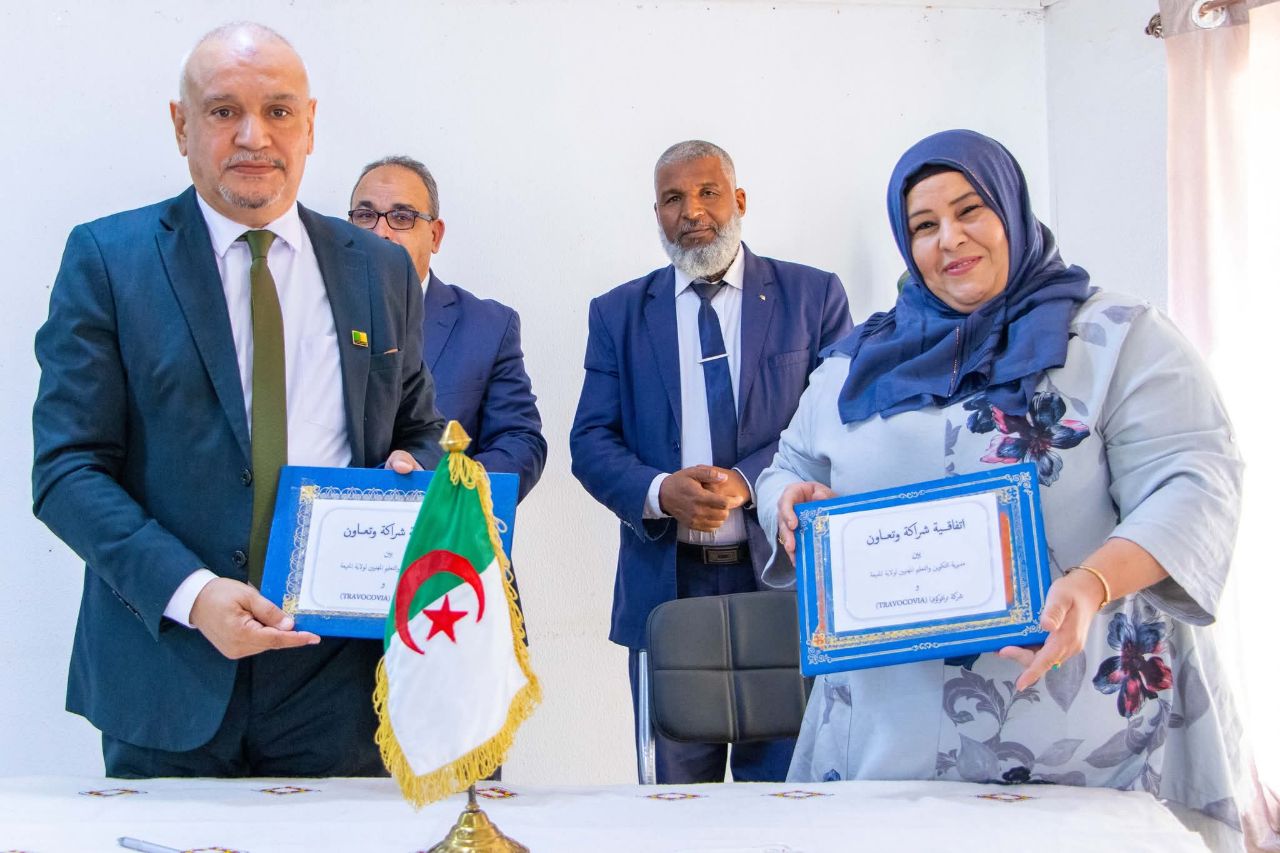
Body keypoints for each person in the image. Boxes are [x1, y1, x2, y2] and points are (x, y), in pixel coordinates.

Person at [758, 129, 1246, 851]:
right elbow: (788, 462)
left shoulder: (1116, 338)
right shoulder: (855, 361)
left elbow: (1193, 478)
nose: (949, 238)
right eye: (924, 226)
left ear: (1012, 210)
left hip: (1082, 738)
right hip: (886, 743)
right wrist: (785, 501)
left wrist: (1093, 583)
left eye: (970, 210)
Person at [31, 23, 445, 778]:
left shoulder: (379, 269)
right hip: (167, 669)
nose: (255, 136)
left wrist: (414, 469)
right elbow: (67, 470)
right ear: (181, 125)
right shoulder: (108, 260)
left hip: (339, 681)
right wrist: (193, 594)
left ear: (309, 125)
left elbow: (417, 425)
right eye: (224, 111)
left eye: (278, 111)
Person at [570, 140, 853, 783]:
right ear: (657, 214)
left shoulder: (812, 296)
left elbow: (838, 422)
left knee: (785, 796)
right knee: (672, 804)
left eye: (707, 192)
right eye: (673, 199)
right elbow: (590, 440)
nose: (692, 211)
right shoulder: (617, 313)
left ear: (739, 200)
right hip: (668, 589)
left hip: (781, 580)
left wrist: (749, 481)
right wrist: (658, 491)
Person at [348, 156, 546, 503]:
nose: (381, 232)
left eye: (402, 217)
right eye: (365, 216)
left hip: (446, 527)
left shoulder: (487, 326)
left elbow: (519, 442)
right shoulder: (311, 314)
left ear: (435, 235)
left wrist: (451, 490)